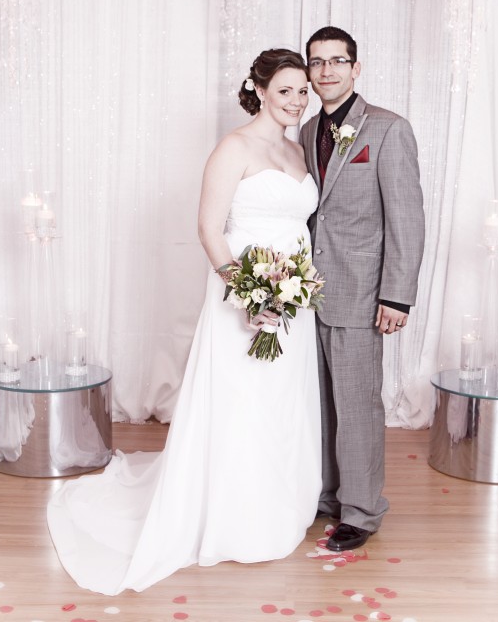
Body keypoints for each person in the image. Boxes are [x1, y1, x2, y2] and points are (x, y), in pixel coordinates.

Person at [47, 48, 322, 594]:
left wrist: (292, 288)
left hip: (293, 299)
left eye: (302, 91)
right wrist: (246, 293)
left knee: (282, 401)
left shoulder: (297, 152)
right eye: (286, 90)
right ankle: (231, 519)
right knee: (241, 399)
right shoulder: (233, 147)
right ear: (260, 89)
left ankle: (277, 507)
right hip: (243, 292)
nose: (297, 101)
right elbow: (209, 228)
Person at [299, 26, 425, 552]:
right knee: (321, 404)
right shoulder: (307, 131)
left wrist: (395, 295)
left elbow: (407, 219)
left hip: (362, 291)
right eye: (317, 62)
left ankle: (362, 510)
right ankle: (329, 496)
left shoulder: (389, 130)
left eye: (337, 61)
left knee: (357, 406)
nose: (326, 71)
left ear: (356, 68)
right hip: (309, 294)